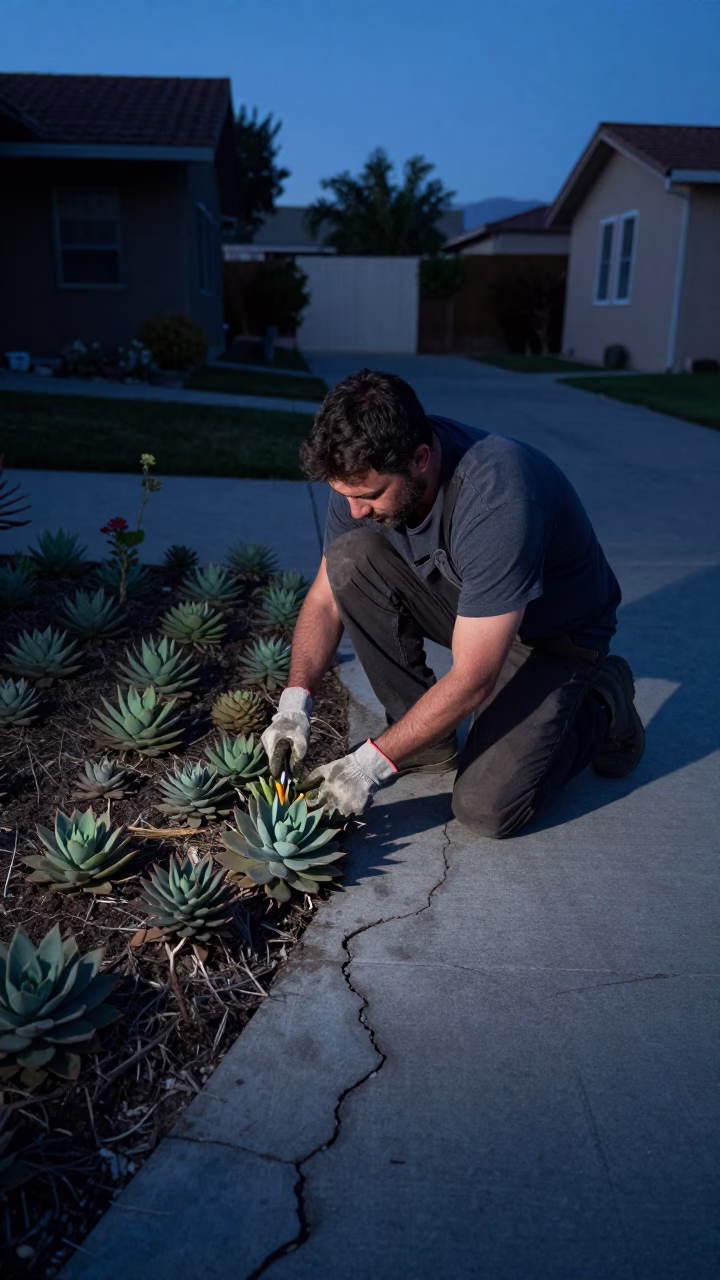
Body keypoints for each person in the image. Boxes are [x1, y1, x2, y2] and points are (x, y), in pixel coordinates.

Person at [261, 368, 644, 838]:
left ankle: (605, 701)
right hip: (475, 608)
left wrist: (368, 766)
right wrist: (294, 703)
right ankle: (425, 742)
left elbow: (474, 676)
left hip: (552, 638)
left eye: (370, 496)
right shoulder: (363, 474)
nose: (354, 509)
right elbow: (325, 600)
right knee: (348, 557)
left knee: (486, 808)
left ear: (420, 458)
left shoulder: (497, 496)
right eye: (345, 495)